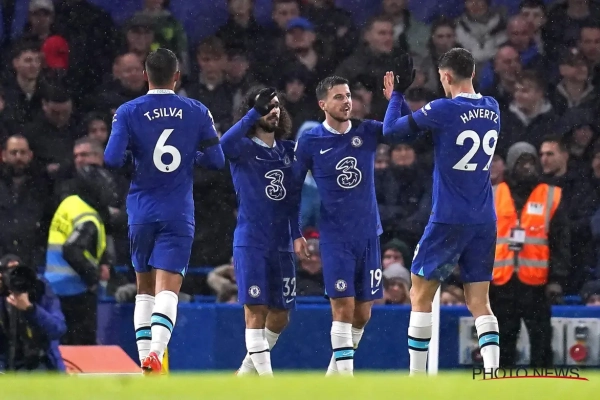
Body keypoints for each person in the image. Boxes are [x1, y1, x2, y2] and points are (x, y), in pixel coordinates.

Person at [104, 48, 225, 374]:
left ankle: (145, 362)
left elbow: (112, 159)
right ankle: (156, 354)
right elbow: (217, 161)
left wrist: (136, 157)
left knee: (144, 289)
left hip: (141, 210)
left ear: (145, 75)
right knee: (168, 289)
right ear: (177, 76)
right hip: (177, 212)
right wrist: (189, 156)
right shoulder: (197, 110)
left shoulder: (128, 111)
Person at [382, 48, 501, 374]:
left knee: (420, 294)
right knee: (479, 302)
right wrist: (403, 107)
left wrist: (397, 96)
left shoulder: (443, 108)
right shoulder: (493, 107)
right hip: (484, 218)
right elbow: (423, 130)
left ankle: (417, 380)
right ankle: (491, 375)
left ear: (445, 76)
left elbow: (392, 132)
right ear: (472, 73)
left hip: (449, 217)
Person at [292, 74, 411, 376]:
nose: (346, 102)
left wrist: (397, 97)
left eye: (348, 96)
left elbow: (405, 131)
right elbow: (292, 189)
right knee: (342, 309)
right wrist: (295, 232)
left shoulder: (366, 130)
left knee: (363, 314)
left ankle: (332, 378)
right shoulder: (310, 140)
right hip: (335, 239)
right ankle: (346, 383)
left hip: (369, 236)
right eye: (338, 97)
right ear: (322, 104)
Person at [220, 87, 305, 377]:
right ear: (253, 110)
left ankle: (244, 374)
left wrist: (297, 234)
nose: (273, 110)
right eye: (267, 107)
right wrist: (254, 112)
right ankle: (267, 384)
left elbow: (293, 199)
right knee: (255, 310)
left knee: (281, 315)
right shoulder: (242, 148)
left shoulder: (289, 151)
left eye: (276, 106)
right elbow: (223, 144)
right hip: (252, 241)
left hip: (282, 243)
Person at [44, 164, 117, 345]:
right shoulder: (88, 217)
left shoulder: (70, 202)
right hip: (75, 292)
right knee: (82, 347)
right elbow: (72, 250)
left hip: (53, 286)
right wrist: (93, 277)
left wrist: (102, 261)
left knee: (60, 346)